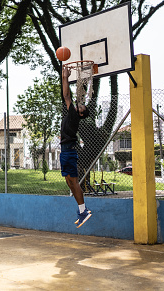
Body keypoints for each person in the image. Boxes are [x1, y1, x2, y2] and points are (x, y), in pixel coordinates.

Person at [60, 65, 92, 228]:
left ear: (80, 113)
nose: (80, 105)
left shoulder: (74, 116)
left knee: (74, 181)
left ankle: (83, 210)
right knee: (68, 181)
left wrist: (65, 76)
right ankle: (81, 210)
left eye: (82, 107)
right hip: (65, 152)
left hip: (69, 153)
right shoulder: (72, 115)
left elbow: (66, 95)